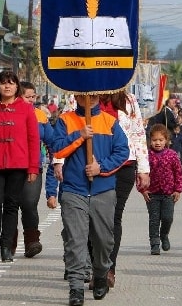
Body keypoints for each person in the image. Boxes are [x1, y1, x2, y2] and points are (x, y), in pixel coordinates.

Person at [51, 94, 129, 306]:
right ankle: (76, 286)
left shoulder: (110, 121)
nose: (91, 98)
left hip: (103, 190)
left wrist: (100, 167)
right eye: (86, 94)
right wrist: (80, 135)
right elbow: (57, 148)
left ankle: (102, 273)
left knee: (104, 240)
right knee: (75, 240)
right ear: (77, 95)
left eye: (95, 94)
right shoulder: (66, 120)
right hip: (73, 190)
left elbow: (123, 151)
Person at [0, 71, 40, 263]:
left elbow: (33, 139)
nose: (7, 86)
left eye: (11, 83)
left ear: (16, 86)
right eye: (3, 83)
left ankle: (6, 246)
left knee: (12, 206)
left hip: (18, 164)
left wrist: (33, 167)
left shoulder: (26, 108)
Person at [98, 90, 150, 288]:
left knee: (113, 217)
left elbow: (138, 133)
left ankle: (108, 269)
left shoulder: (128, 99)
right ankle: (94, 264)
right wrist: (60, 162)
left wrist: (143, 169)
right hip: (92, 165)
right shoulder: (80, 95)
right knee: (92, 218)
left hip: (124, 165)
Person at [12, 81, 54, 258]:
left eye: (33, 96)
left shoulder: (40, 116)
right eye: (27, 96)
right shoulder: (11, 113)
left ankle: (31, 240)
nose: (31, 100)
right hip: (11, 167)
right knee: (11, 205)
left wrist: (56, 159)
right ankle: (8, 241)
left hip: (33, 167)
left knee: (29, 204)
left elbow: (52, 141)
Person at [140, 124, 182, 255]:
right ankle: (154, 243)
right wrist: (142, 190)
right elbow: (140, 173)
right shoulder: (146, 156)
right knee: (154, 219)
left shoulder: (172, 155)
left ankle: (164, 234)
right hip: (152, 194)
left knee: (167, 217)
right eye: (154, 140)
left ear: (166, 140)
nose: (157, 143)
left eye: (160, 140)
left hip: (168, 194)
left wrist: (178, 190)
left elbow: (178, 173)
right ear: (150, 141)